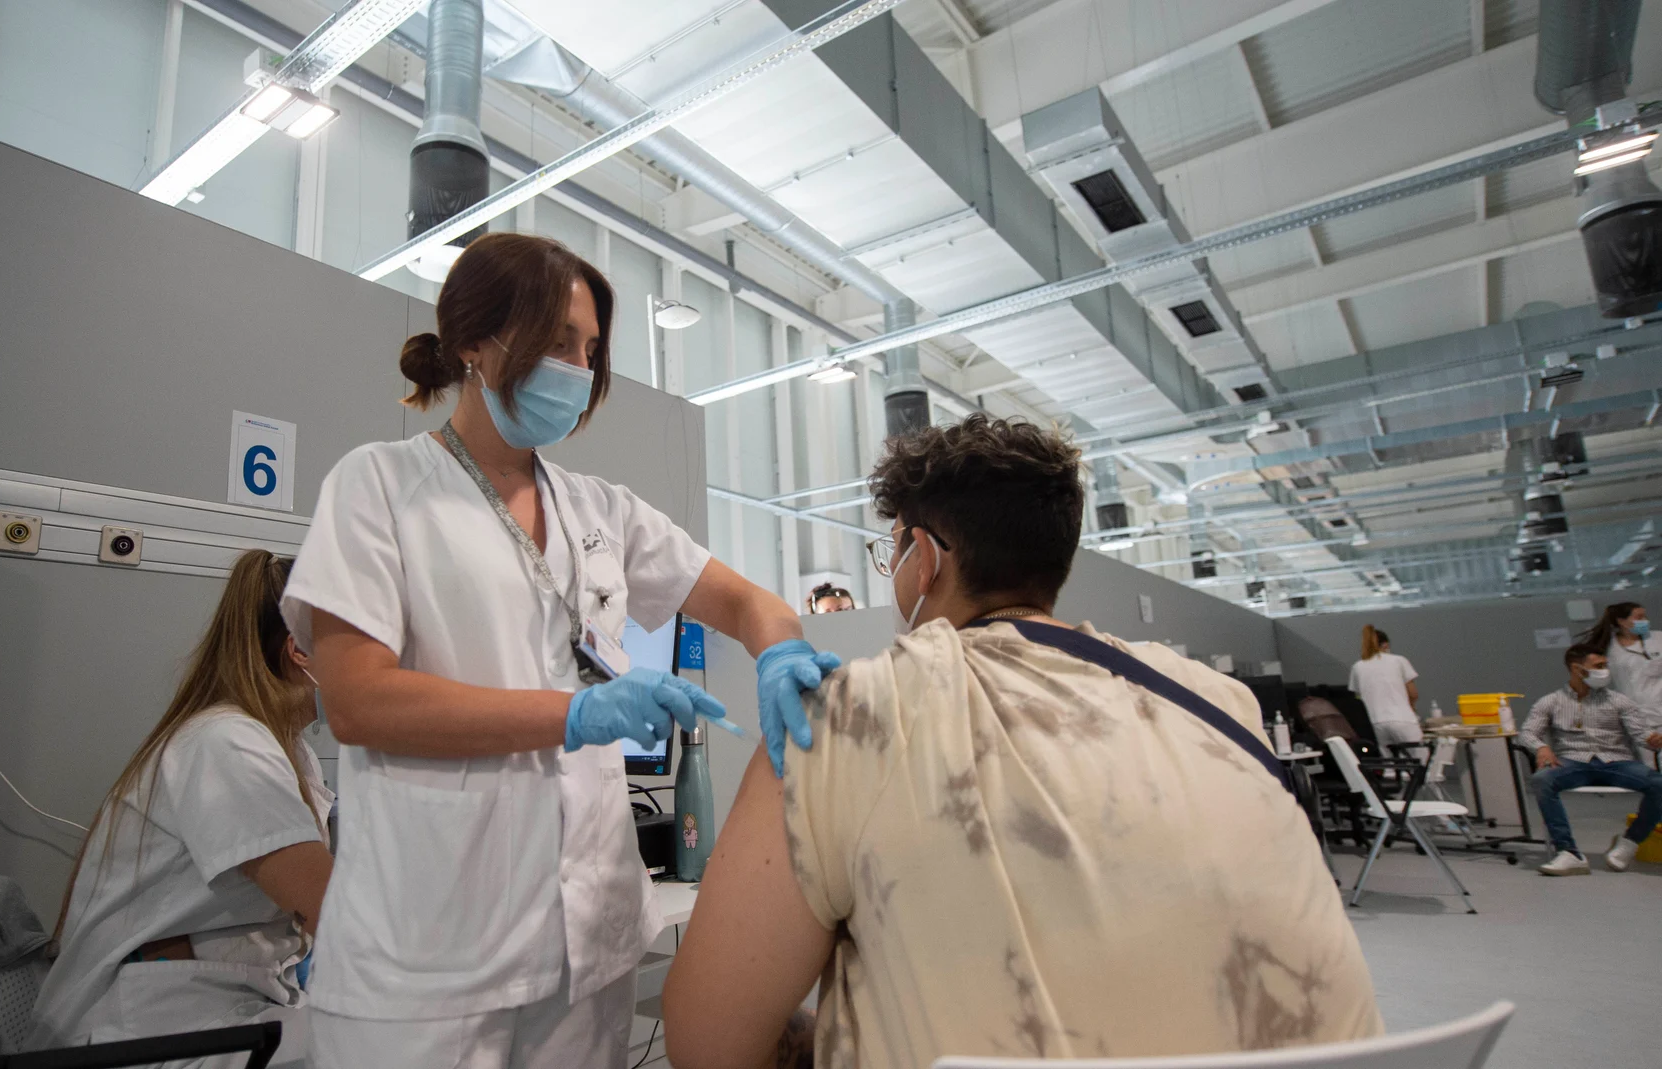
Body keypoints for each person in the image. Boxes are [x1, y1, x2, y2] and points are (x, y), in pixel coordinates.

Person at [662, 415, 1380, 1069]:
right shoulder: (1222, 705)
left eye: (893, 556)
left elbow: (706, 1042)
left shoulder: (848, 715)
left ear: (924, 559)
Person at [281, 233, 839, 1069]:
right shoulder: (379, 487)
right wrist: (575, 713)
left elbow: (744, 600)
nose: (577, 370)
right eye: (555, 344)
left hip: (589, 944)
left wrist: (778, 651)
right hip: (429, 952)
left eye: (589, 349)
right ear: (473, 343)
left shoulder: (598, 509)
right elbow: (357, 702)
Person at [30, 550, 334, 1061]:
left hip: (216, 1002)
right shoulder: (227, 743)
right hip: (148, 1029)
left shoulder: (287, 746)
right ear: (299, 651)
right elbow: (335, 910)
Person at [1522, 644, 1662, 876]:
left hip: (1617, 761)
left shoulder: (1619, 701)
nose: (1605, 670)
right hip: (1573, 762)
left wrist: (1653, 739)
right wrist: (1542, 747)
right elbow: (1527, 732)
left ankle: (1630, 842)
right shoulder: (1551, 701)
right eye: (1599, 666)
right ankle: (1568, 853)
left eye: (1606, 665)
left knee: (1659, 783)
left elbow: (1641, 734)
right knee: (1542, 780)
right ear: (1577, 669)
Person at [1345, 626, 1421, 753]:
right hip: (1402, 719)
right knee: (1420, 761)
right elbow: (1413, 693)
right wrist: (1412, 708)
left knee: (1389, 765)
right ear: (1386, 645)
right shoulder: (1398, 660)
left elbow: (1358, 698)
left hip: (1376, 723)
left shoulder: (1357, 667)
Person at [1578, 601, 1662, 710]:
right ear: (1622, 621)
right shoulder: (1609, 647)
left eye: (1645, 616)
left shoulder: (1658, 638)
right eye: (1639, 617)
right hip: (1633, 709)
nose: (1645, 620)